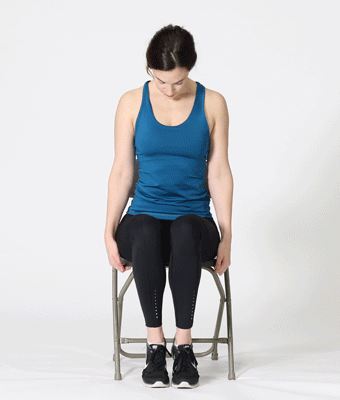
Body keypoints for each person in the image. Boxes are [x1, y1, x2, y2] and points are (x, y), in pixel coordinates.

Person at [104, 24, 233, 388]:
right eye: (161, 81)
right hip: (142, 222)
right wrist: (108, 231)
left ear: (190, 69)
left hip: (194, 223)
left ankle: (184, 346)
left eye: (178, 81)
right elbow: (122, 171)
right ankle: (155, 344)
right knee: (146, 228)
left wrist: (227, 234)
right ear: (149, 69)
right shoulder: (131, 102)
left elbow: (219, 171)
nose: (170, 90)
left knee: (184, 228)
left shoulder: (213, 103)